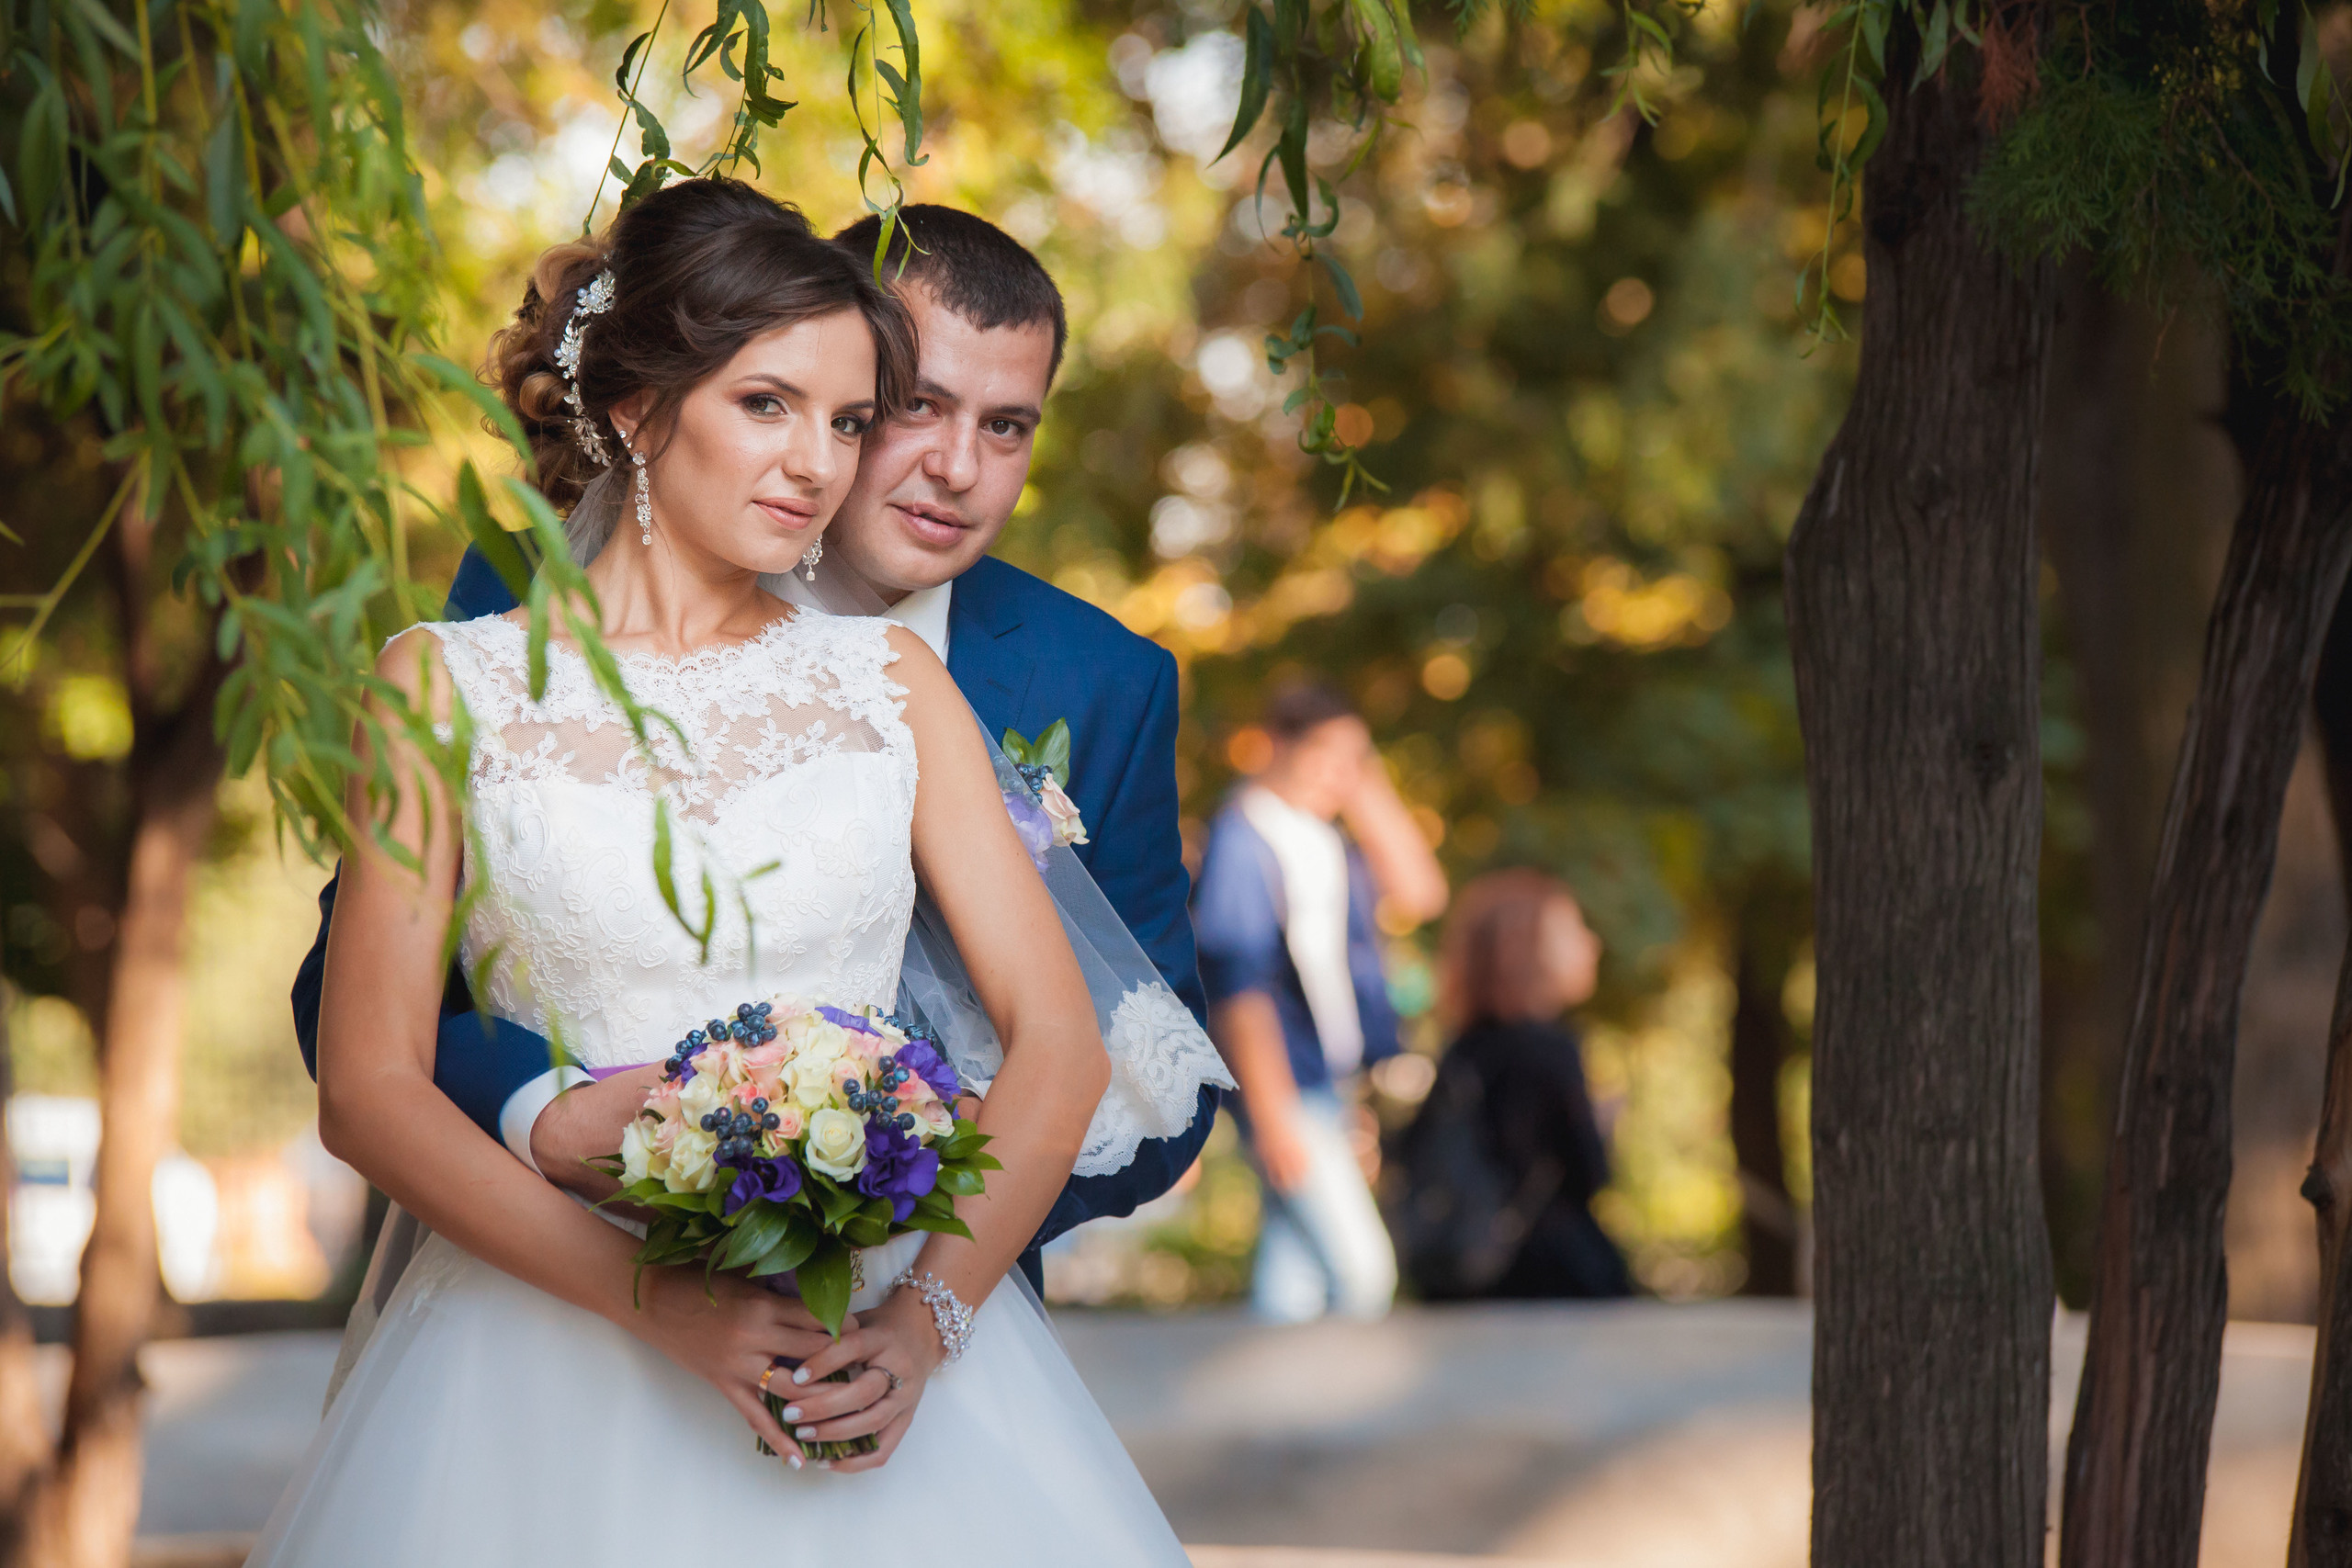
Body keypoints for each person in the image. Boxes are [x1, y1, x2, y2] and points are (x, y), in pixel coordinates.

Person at [248, 177, 1219, 1564]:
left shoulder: (892, 681)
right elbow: (366, 1080)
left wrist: (923, 1311)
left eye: (841, 420)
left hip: (870, 1344)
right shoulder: (445, 676)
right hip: (531, 1350)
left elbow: (1066, 1042)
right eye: (770, 405)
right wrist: (653, 1286)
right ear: (638, 408)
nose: (823, 462)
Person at [1192, 683, 1447, 1324]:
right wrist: (1272, 1114)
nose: (1341, 771)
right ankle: (1335, 1414)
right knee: (1361, 1271)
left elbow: (1421, 892)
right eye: (1326, 752)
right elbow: (1238, 981)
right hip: (1287, 1086)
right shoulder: (1244, 836)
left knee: (1295, 1276)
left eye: (1356, 758)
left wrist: (1367, 788)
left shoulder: (1327, 840)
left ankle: (1272, 1416)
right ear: (1278, 743)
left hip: (1329, 1086)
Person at [1396, 868, 1633, 1301]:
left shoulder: (1461, 1051)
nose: (1591, 945)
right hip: (1554, 1275)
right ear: (1530, 949)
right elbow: (1589, 1173)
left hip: (1463, 1276)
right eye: (1574, 931)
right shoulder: (1551, 1052)